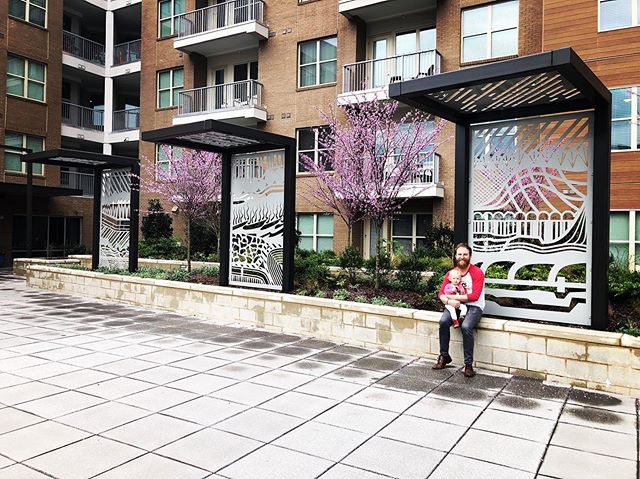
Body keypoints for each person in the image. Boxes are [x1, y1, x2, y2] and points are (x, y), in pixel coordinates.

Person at [432, 243, 485, 378]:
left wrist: (449, 297)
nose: (462, 257)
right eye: (459, 254)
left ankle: (468, 364)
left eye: (465, 254)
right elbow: (440, 293)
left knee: (466, 326)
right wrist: (449, 301)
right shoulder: (451, 273)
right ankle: (444, 356)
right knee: (443, 322)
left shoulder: (477, 272)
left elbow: (474, 296)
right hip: (455, 305)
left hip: (474, 306)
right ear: (455, 256)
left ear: (470, 256)